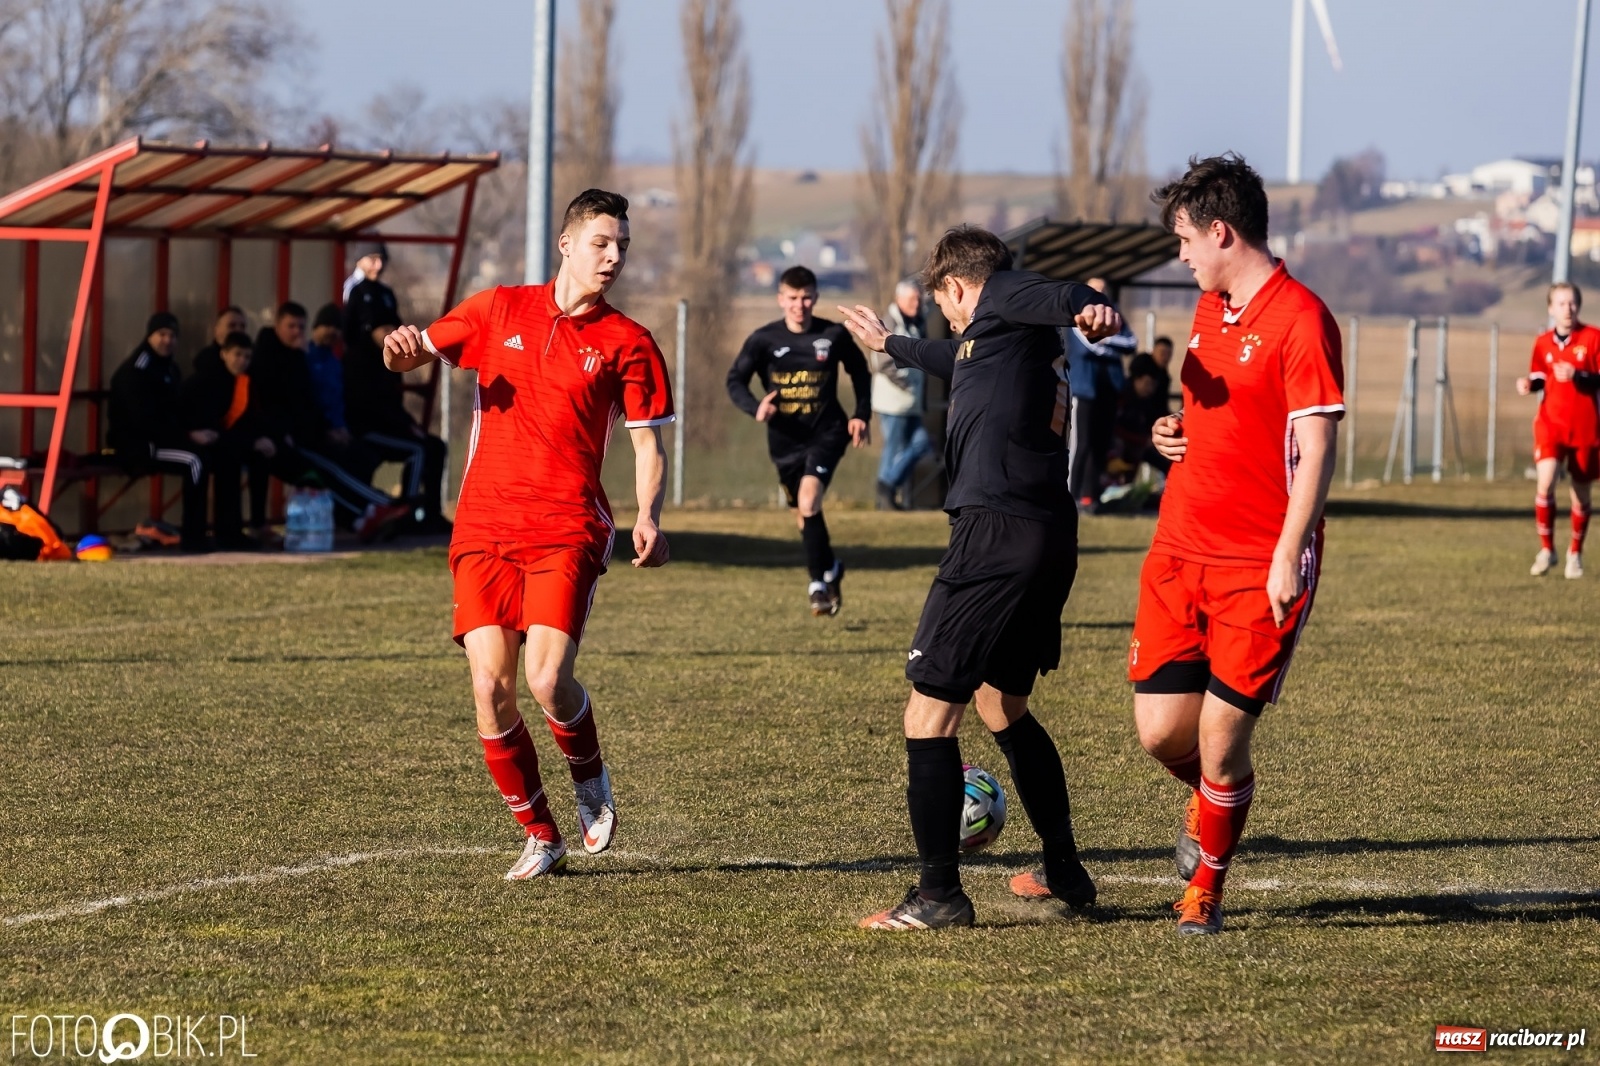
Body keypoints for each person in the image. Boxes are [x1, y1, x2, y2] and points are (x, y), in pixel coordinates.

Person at [380, 189, 674, 881]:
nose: (614, 257)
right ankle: (541, 835)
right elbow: (415, 352)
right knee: (490, 688)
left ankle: (589, 775)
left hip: (566, 527)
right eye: (603, 242)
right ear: (567, 244)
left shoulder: (628, 342)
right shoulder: (497, 310)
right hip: (483, 526)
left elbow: (647, 445)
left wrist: (650, 515)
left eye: (623, 246)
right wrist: (396, 353)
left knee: (547, 678)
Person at [836, 225, 1123, 931]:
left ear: (960, 287)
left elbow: (1058, 293)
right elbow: (948, 355)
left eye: (949, 305)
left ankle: (938, 896)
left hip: (994, 532)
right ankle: (1063, 866)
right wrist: (889, 345)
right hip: (1047, 533)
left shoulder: (1006, 295)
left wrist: (1090, 305)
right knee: (1002, 706)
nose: (953, 320)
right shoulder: (994, 339)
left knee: (928, 714)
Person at [1135, 154, 1343, 935]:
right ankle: (1212, 803)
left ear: (1222, 232)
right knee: (1161, 733)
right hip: (1179, 547)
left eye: (1186, 239)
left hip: (1259, 558)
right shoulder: (1207, 309)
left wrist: (1290, 552)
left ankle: (1204, 892)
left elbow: (1316, 448)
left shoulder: (1301, 318)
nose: (1181, 254)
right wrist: (1169, 431)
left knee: (1222, 742)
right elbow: (1203, 414)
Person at [726, 265, 873, 615]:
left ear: (816, 297)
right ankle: (832, 567)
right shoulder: (764, 340)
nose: (799, 304)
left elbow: (860, 373)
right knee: (802, 515)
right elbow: (735, 381)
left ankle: (817, 585)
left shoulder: (833, 335)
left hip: (827, 432)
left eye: (806, 297)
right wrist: (754, 407)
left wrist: (860, 415)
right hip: (784, 440)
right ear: (780, 299)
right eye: (792, 298)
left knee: (808, 502)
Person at [251, 301, 410, 540]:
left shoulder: (300, 358)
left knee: (353, 458)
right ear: (277, 326)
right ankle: (378, 507)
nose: (296, 332)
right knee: (328, 470)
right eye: (290, 326)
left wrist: (331, 429)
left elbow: (309, 403)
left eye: (300, 327)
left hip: (309, 434)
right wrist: (281, 432)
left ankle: (366, 516)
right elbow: (269, 404)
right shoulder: (270, 360)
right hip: (288, 439)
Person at [342, 294, 451, 534]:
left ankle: (432, 513)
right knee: (418, 450)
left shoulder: (391, 358)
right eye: (384, 329)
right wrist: (405, 428)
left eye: (393, 328)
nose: (389, 334)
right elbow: (370, 406)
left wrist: (410, 426)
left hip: (391, 426)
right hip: (367, 429)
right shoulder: (358, 360)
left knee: (435, 446)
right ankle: (406, 513)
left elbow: (394, 403)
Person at [107, 312, 213, 551]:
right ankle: (193, 537)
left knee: (213, 454)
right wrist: (187, 436)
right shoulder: (137, 370)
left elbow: (176, 411)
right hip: (138, 446)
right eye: (162, 334)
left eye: (173, 336)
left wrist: (196, 431)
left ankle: (218, 531)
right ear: (150, 336)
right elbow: (144, 421)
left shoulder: (170, 369)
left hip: (161, 440)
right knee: (196, 461)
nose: (168, 340)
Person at [1515, 282, 1598, 579]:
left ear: (1579, 306)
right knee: (1545, 482)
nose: (1568, 309)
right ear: (1551, 309)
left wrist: (1580, 375)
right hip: (1551, 424)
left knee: (1580, 494)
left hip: (1586, 428)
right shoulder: (1542, 343)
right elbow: (1539, 375)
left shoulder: (1593, 338)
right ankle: (1547, 549)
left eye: (1572, 303)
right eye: (1561, 304)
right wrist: (1529, 385)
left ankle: (1574, 553)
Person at [1061, 278, 1138, 511]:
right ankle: (1069, 497)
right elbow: (1089, 344)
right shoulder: (1076, 315)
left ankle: (1089, 496)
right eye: (1095, 289)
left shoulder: (1115, 315)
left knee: (1101, 445)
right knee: (1081, 445)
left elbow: (1131, 343)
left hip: (1109, 391)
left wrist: (1106, 340)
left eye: (1103, 289)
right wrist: (1111, 343)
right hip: (1084, 390)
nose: (1099, 293)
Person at [179, 331, 260, 550]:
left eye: (247, 356)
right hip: (187, 438)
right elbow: (178, 411)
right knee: (200, 461)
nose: (242, 361)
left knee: (233, 458)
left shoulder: (243, 382)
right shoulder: (203, 379)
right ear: (224, 354)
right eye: (237, 354)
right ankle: (193, 536)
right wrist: (191, 432)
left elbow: (243, 421)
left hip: (217, 439)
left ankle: (231, 533)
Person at [872, 278, 933, 510]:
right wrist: (908, 383)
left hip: (911, 403)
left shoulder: (918, 323)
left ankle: (887, 487)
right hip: (893, 402)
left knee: (921, 444)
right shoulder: (888, 323)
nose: (916, 304)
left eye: (918, 299)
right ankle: (885, 493)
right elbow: (883, 362)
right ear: (899, 300)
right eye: (912, 299)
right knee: (894, 448)